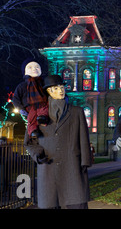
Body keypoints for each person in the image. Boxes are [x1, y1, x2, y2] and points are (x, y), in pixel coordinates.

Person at [24, 75, 91, 209]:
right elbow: (29, 142)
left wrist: (85, 162)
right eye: (56, 88)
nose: (61, 90)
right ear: (49, 91)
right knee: (50, 204)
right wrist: (38, 154)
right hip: (48, 168)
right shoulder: (37, 114)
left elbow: (84, 138)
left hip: (72, 167)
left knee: (76, 203)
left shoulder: (77, 112)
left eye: (62, 87)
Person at [12, 58, 49, 139]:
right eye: (30, 67)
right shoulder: (22, 86)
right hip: (29, 107)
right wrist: (21, 109)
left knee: (44, 109)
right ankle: (33, 131)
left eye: (37, 67)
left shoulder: (44, 83)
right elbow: (16, 98)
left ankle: (43, 118)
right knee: (32, 119)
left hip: (43, 104)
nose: (34, 69)